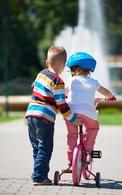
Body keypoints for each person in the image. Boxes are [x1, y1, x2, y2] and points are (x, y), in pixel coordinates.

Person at [25, 46, 81, 186]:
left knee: (37, 147)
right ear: (63, 63)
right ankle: (39, 176)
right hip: (45, 117)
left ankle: (40, 173)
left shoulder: (41, 74)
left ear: (46, 62)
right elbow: (61, 104)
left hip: (31, 114)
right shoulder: (57, 81)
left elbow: (34, 86)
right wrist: (74, 119)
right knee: (45, 147)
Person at [65, 51, 116, 166]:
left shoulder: (71, 80)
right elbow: (106, 92)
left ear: (75, 68)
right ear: (89, 69)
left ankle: (70, 160)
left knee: (72, 135)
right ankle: (88, 152)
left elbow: (64, 93)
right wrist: (110, 97)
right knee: (93, 128)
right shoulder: (93, 82)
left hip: (71, 114)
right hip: (88, 114)